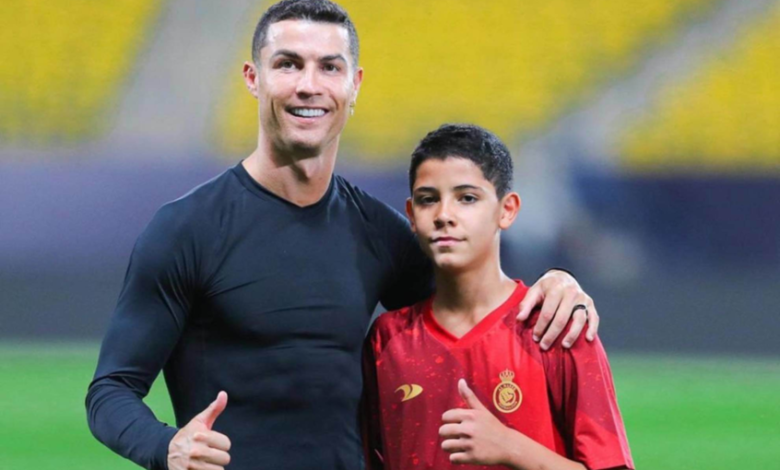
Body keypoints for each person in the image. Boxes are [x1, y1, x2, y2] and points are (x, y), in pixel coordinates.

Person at [85, 2, 599, 470]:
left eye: (329, 67)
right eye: (288, 64)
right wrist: (166, 447)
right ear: (253, 78)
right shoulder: (186, 229)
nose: (309, 85)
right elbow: (111, 391)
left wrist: (557, 283)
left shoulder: (378, 233)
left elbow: (476, 303)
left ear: (354, 84)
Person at [361, 124, 633, 470]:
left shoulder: (556, 326)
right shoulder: (386, 341)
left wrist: (512, 448)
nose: (444, 215)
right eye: (428, 199)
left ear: (507, 210)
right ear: (412, 215)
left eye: (467, 198)